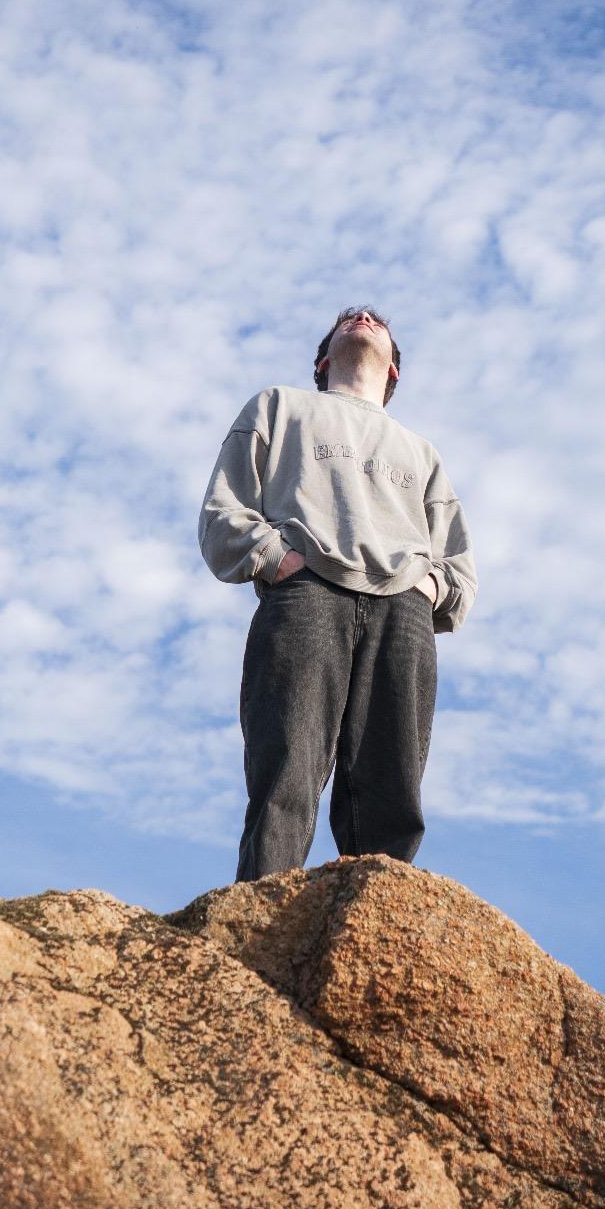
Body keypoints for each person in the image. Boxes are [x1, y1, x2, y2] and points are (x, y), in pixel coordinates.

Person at [198, 305, 477, 883]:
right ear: (323, 361)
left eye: (377, 320)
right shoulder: (279, 406)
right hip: (305, 594)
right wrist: (277, 560)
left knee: (392, 791)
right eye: (350, 318)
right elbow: (223, 512)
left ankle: (378, 919)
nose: (364, 315)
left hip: (403, 609)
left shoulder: (420, 451)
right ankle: (257, 922)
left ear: (393, 371)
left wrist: (427, 589)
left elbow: (460, 567)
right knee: (285, 777)